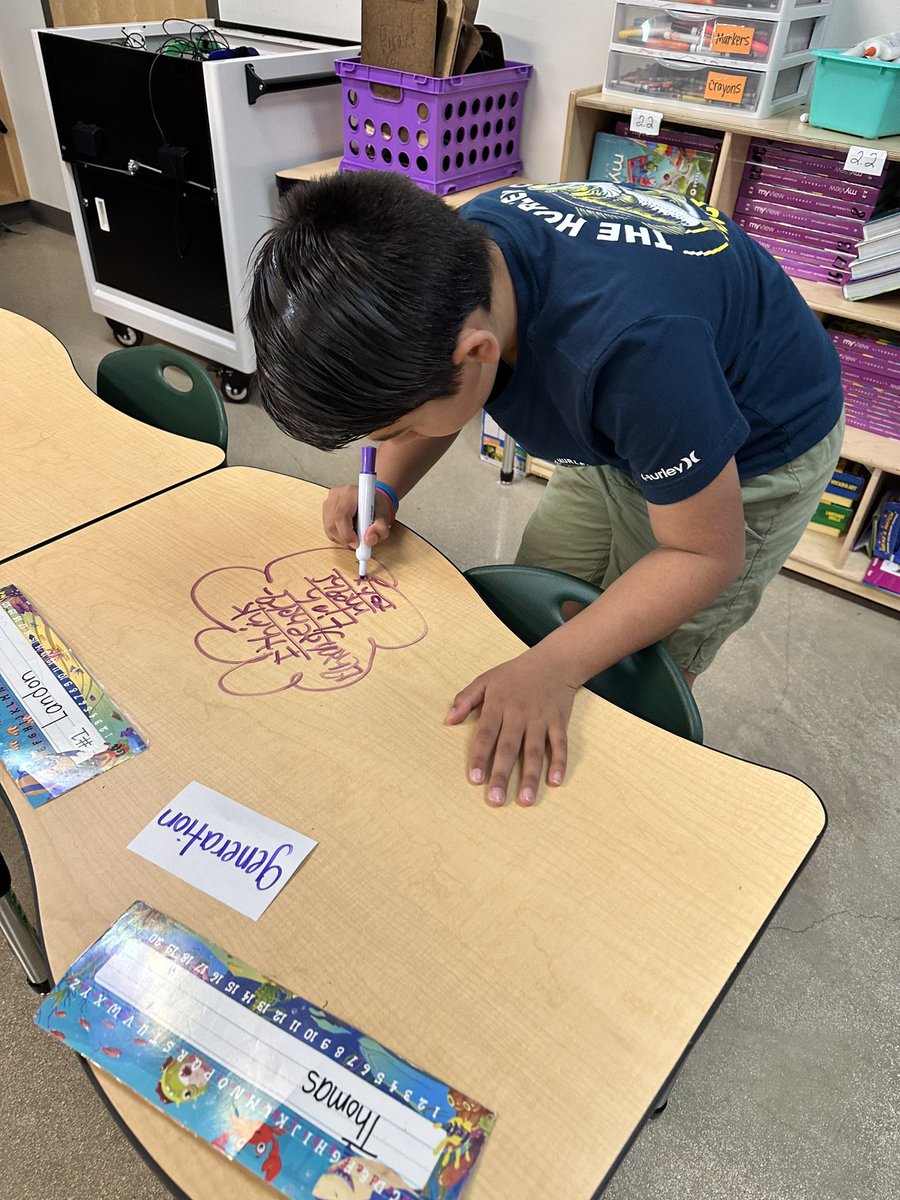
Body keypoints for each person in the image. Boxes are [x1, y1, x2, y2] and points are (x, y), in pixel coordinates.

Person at [247, 171, 844, 809]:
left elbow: (705, 556)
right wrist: (385, 486)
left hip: (750, 448)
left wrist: (556, 670)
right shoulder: (462, 261)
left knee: (636, 667)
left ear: (475, 352)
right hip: (628, 423)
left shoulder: (633, 354)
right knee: (540, 604)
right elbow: (446, 394)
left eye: (398, 429)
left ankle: (594, 809)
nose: (392, 442)